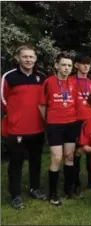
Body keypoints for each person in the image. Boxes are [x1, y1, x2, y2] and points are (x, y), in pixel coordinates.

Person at [1, 45, 47, 209]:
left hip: (37, 128)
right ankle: (15, 195)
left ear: (35, 59)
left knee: (36, 161)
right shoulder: (9, 77)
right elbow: (3, 100)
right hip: (16, 129)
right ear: (18, 58)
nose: (28, 60)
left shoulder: (41, 77)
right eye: (25, 57)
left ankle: (34, 188)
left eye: (31, 57)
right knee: (16, 164)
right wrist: (13, 116)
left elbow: (45, 102)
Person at [38, 52, 78, 205]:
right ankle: (53, 194)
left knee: (69, 156)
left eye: (69, 65)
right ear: (56, 65)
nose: (66, 68)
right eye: (63, 65)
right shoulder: (49, 82)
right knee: (56, 157)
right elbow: (41, 105)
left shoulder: (74, 82)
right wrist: (48, 121)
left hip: (71, 123)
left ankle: (69, 190)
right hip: (55, 124)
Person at [72, 55, 91, 194]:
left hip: (90, 121)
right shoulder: (70, 81)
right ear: (76, 65)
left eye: (88, 64)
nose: (86, 66)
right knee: (76, 152)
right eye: (83, 63)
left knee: (90, 152)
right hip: (74, 121)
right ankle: (75, 182)